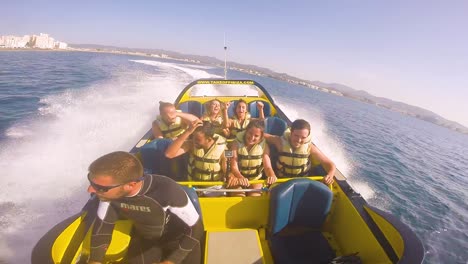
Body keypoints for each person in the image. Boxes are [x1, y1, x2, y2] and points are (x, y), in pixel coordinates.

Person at [86, 151, 203, 264]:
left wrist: (171, 261)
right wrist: (95, 260)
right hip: (146, 240)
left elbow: (196, 228)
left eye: (100, 187)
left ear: (130, 185)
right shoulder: (108, 195)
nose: (90, 190)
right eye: (90, 181)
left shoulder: (166, 190)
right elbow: (103, 229)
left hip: (180, 241)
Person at [264, 119, 336, 185]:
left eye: (303, 137)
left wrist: (330, 175)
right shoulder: (279, 141)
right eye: (296, 136)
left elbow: (329, 163)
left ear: (307, 136)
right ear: (291, 133)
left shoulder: (310, 147)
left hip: (301, 183)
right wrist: (271, 174)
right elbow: (261, 135)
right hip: (281, 181)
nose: (299, 140)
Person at [227, 120, 277, 196]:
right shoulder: (235, 143)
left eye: (256, 136)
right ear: (246, 131)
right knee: (238, 194)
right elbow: (233, 165)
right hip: (238, 177)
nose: (252, 137)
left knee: (255, 196)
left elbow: (267, 167)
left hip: (255, 180)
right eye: (250, 133)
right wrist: (240, 177)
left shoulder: (265, 146)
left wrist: (271, 175)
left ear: (261, 137)